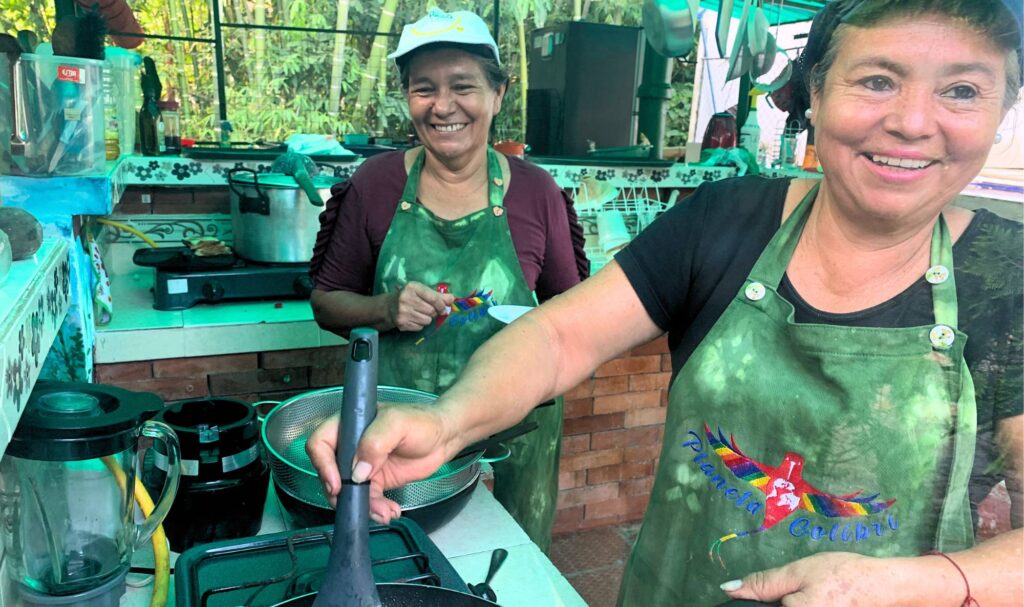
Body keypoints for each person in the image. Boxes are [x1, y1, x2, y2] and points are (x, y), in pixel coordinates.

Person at [310, 0, 1023, 604]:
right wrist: (445, 421)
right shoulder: (724, 222)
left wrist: (927, 583)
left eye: (962, 90)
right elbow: (560, 335)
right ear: (817, 91)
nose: (912, 121)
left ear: (1003, 110)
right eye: (877, 80)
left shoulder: (1012, 280)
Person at [307, 8, 589, 552]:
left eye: (463, 86)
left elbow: (577, 318)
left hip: (514, 435)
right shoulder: (375, 184)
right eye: (424, 89)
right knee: (404, 557)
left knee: (507, 565)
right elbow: (326, 303)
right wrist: (385, 310)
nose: (442, 106)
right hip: (398, 435)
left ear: (497, 94)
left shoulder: (537, 193)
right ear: (407, 97)